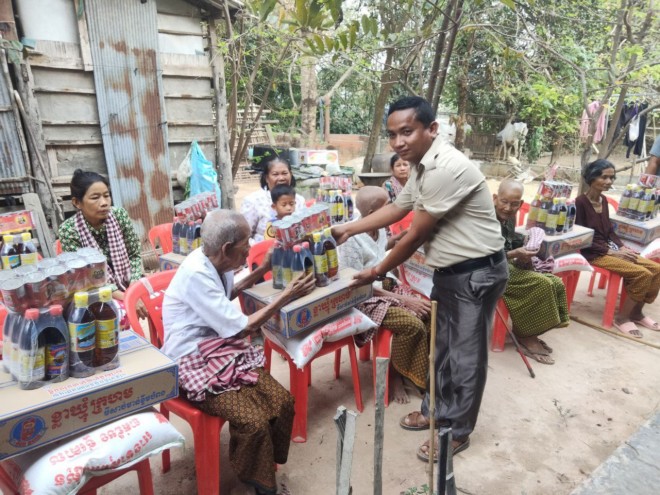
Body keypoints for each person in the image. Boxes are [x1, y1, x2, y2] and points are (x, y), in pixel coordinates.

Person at [333, 96, 508, 460]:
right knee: (443, 348)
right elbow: (398, 207)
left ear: (432, 129)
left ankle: (456, 431)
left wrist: (377, 270)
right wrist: (348, 229)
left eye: (407, 132)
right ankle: (435, 412)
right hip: (451, 273)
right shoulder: (421, 165)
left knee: (465, 357)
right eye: (393, 134)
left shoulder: (445, 167)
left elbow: (415, 234)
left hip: (475, 274)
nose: (398, 142)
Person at [161, 209, 315, 495]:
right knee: (252, 420)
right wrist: (286, 295)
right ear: (227, 248)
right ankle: (258, 485)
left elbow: (224, 298)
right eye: (245, 247)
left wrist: (259, 270)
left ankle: (263, 470)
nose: (248, 252)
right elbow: (241, 329)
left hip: (221, 351)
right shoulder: (196, 272)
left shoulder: (217, 264)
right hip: (192, 360)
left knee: (282, 402)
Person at [338, 186, 430, 404]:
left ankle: (414, 370)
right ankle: (395, 375)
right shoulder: (351, 239)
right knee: (411, 324)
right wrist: (403, 299)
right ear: (371, 214)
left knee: (429, 312)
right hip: (364, 296)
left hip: (386, 284)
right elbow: (355, 284)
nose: (392, 208)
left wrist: (396, 239)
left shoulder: (379, 229)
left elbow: (377, 252)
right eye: (387, 205)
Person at [576, 159, 660, 337]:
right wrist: (611, 252)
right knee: (642, 273)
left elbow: (609, 231)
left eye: (612, 178)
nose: (609, 182)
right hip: (594, 253)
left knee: (656, 269)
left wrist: (622, 248)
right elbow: (583, 237)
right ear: (592, 178)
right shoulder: (580, 203)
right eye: (604, 177)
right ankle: (622, 318)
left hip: (610, 248)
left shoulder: (604, 200)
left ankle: (636, 313)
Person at [493, 179, 570, 365]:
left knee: (555, 282)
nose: (508, 208)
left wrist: (526, 249)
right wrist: (514, 254)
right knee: (541, 284)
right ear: (495, 198)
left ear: (520, 204)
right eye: (504, 201)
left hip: (507, 263)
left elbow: (511, 243)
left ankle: (530, 332)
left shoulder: (510, 218)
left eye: (514, 204)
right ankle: (526, 335)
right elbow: (483, 256)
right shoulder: (484, 219)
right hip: (489, 269)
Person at [58, 169, 147, 317]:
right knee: (118, 316)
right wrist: (126, 297)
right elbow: (85, 277)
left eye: (106, 196)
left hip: (130, 281)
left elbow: (134, 254)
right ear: (77, 202)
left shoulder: (119, 215)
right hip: (95, 290)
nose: (104, 203)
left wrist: (133, 288)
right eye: (95, 198)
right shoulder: (69, 230)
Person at [241, 157, 306, 243]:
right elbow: (244, 236)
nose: (281, 178)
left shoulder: (299, 200)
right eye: (275, 174)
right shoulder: (253, 201)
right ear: (267, 178)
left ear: (291, 175)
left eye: (285, 173)